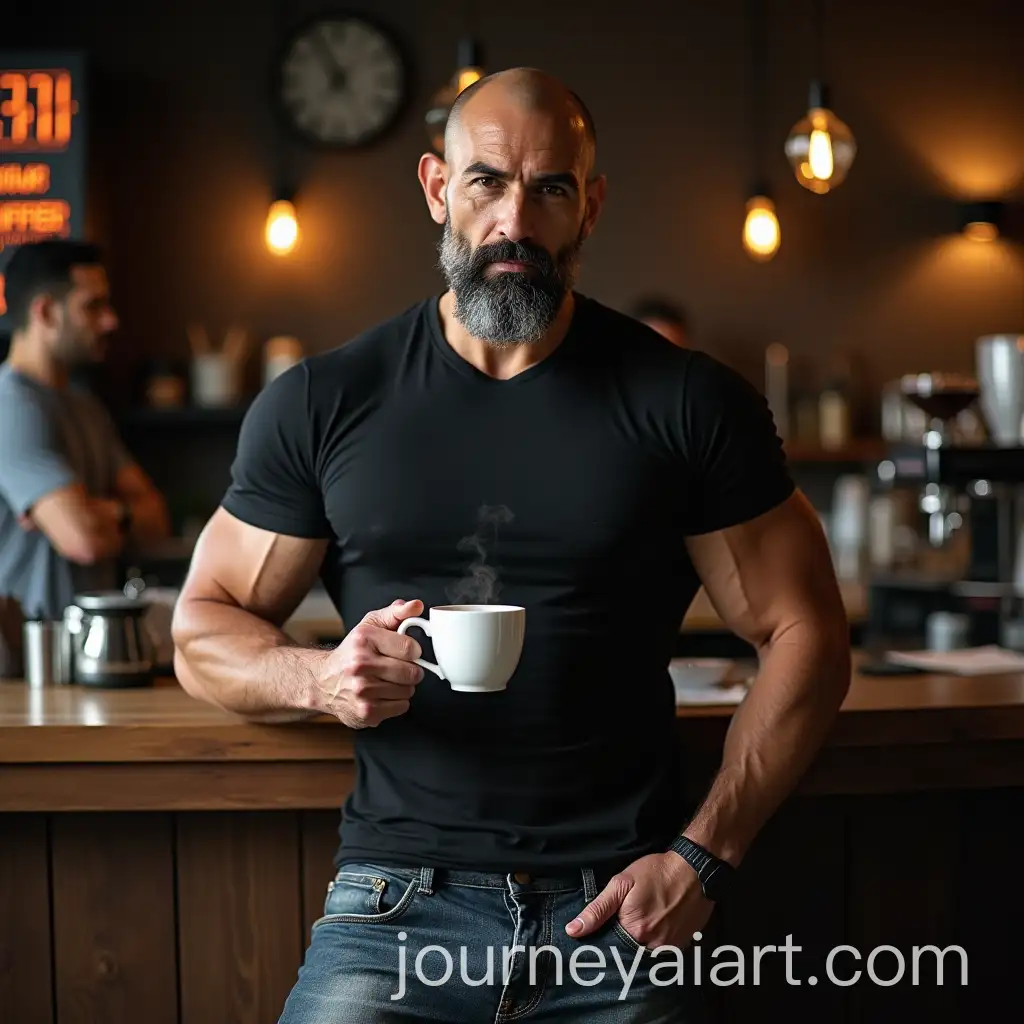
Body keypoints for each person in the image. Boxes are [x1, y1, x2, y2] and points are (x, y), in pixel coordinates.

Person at [172, 68, 850, 1022]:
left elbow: (806, 632)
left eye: (551, 189)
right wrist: (318, 678)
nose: (515, 222)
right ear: (437, 188)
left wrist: (703, 858)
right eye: (487, 181)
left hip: (621, 909)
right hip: (395, 905)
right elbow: (202, 628)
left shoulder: (690, 403)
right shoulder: (323, 402)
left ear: (590, 207)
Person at [0, 241, 170, 673]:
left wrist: (102, 512)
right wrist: (108, 514)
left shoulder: (86, 408)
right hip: (23, 670)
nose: (110, 321)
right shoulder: (11, 405)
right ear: (45, 313)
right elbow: (84, 540)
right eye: (93, 306)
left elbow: (156, 520)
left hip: (87, 660)